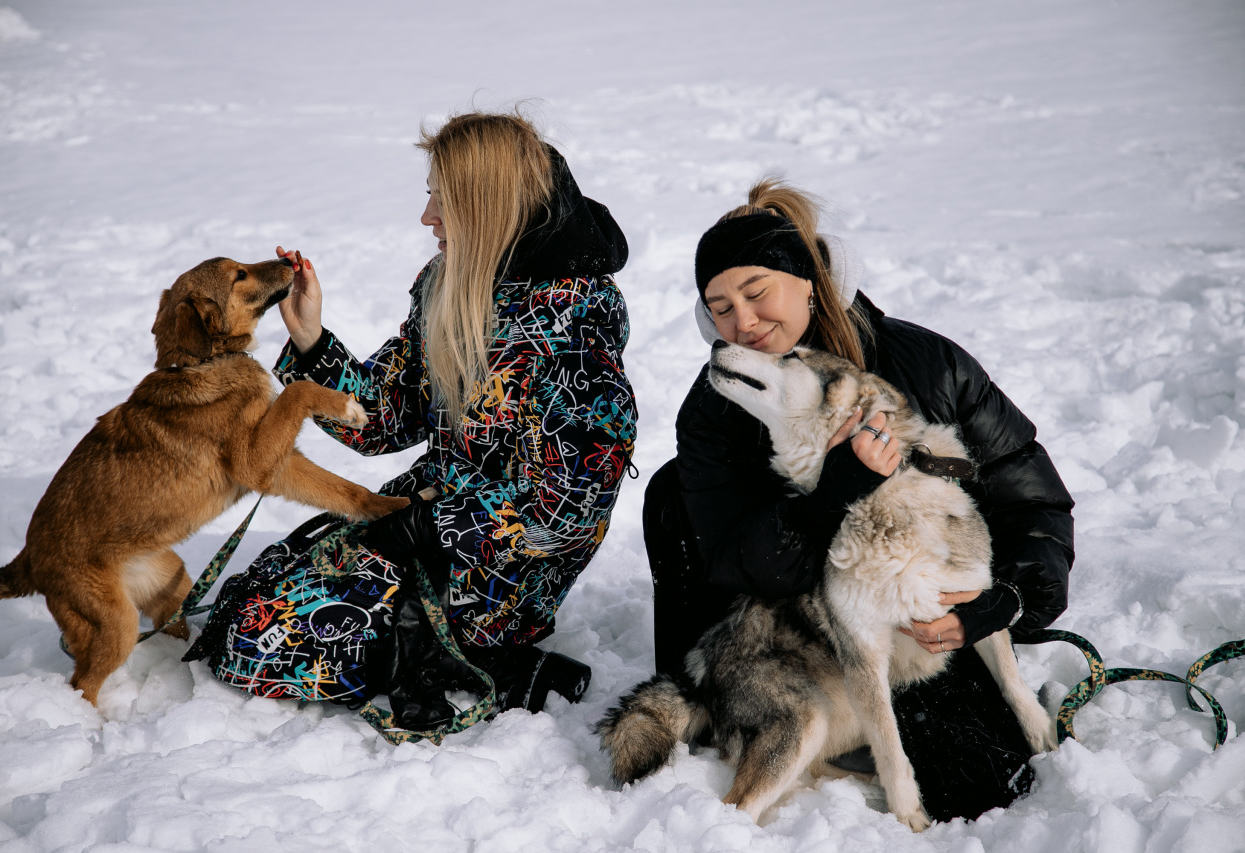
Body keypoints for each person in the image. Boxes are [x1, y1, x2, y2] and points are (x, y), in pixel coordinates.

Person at [643, 178, 1074, 822]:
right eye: (720, 308)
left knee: (984, 786)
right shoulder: (718, 409)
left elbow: (1030, 501)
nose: (744, 322)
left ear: (811, 283)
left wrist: (1009, 597)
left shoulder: (929, 363)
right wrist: (840, 490)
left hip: (922, 629)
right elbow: (742, 561)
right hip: (800, 634)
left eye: (757, 294)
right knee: (669, 491)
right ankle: (727, 707)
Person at [189, 110, 636, 722]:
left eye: (444, 202)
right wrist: (314, 342)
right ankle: (431, 653)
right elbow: (386, 416)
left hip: (504, 570)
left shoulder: (575, 331)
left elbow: (566, 516)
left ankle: (493, 660)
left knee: (274, 644)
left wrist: (435, 525)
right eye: (430, 197)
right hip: (424, 519)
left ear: (490, 207)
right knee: (250, 613)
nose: (427, 218)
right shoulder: (449, 283)